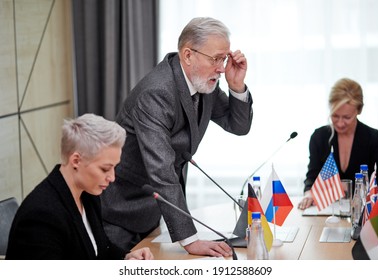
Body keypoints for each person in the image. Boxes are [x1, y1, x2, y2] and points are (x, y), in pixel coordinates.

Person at [100, 17, 253, 258]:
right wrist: (190, 240)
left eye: (224, 58)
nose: (222, 68)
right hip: (121, 212)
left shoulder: (203, 83)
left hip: (154, 209)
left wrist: (237, 86)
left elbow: (238, 125)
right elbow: (161, 170)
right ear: (188, 55)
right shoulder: (156, 93)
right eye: (216, 59)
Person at [6, 113, 153, 260]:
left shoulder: (87, 194)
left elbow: (100, 248)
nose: (112, 177)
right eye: (105, 169)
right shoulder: (42, 216)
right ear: (76, 160)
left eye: (114, 167)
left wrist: (126, 257)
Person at [298, 78, 378, 210]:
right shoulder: (319, 137)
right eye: (335, 116)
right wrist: (309, 193)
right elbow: (312, 177)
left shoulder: (374, 139)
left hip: (363, 212)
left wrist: (346, 187)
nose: (339, 123)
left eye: (346, 117)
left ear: (359, 110)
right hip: (327, 211)